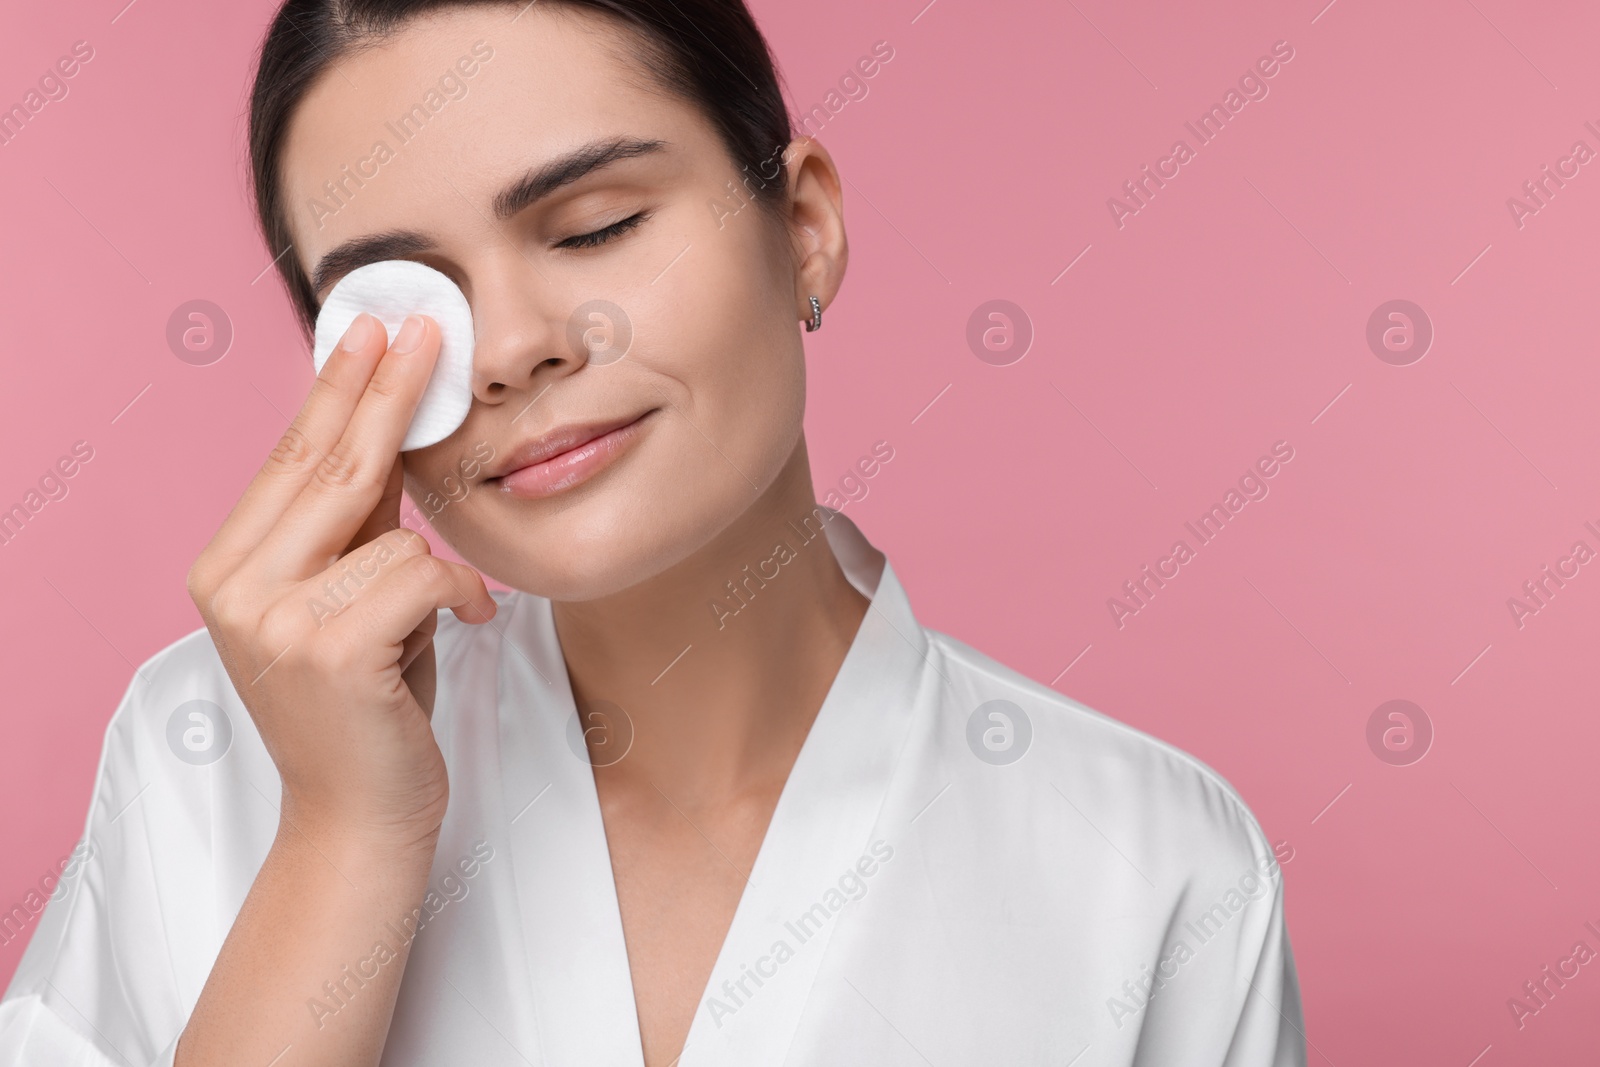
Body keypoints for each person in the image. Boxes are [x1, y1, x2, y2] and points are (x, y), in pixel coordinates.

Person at [0, 1, 1306, 1064]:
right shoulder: (207, 758)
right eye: (406, 307)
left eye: (597, 227)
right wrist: (343, 839)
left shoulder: (1152, 864)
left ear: (803, 227)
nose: (510, 350)